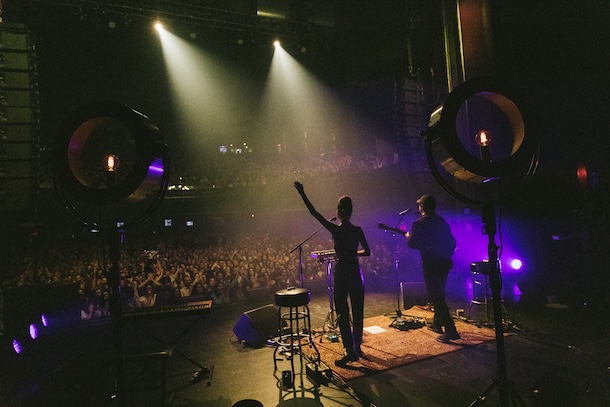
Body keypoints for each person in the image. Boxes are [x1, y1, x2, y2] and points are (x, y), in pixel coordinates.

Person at [294, 181, 371, 365]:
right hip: (355, 270)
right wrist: (354, 253)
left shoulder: (335, 229)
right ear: (351, 211)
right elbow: (367, 251)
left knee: (343, 312)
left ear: (338, 212)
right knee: (358, 309)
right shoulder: (357, 230)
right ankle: (358, 345)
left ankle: (349, 349)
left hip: (342, 271)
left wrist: (302, 193)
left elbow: (314, 213)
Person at [405, 194, 459, 343]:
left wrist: (409, 236)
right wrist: (447, 254)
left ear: (422, 207)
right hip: (444, 262)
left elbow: (412, 244)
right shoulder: (442, 222)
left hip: (430, 263)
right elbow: (452, 242)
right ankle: (437, 323)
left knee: (436, 296)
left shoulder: (418, 224)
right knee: (438, 293)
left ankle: (451, 329)